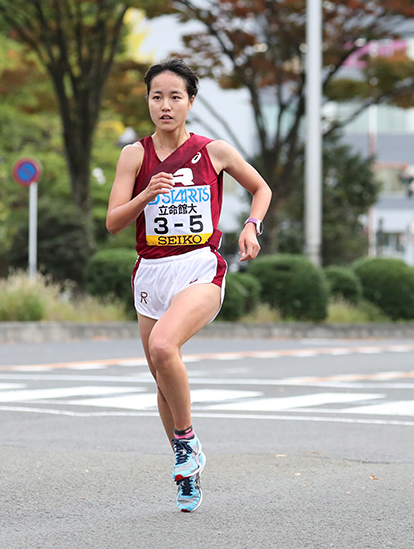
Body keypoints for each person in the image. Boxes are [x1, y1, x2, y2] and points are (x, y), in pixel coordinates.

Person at [106, 58, 272, 513]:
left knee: (163, 347)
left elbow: (262, 189)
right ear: (147, 102)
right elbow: (113, 223)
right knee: (162, 378)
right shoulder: (133, 155)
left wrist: (251, 226)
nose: (165, 105)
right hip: (150, 272)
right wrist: (145, 195)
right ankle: (187, 472)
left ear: (190, 102)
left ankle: (186, 442)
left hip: (200, 266)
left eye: (175, 96)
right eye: (156, 96)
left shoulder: (213, 151)